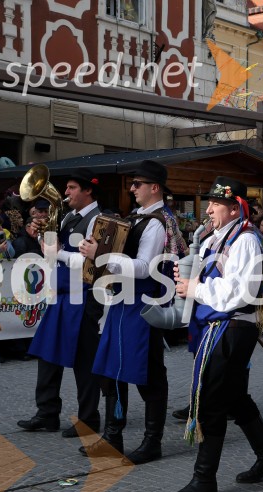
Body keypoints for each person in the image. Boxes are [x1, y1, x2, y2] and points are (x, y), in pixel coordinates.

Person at [170, 176, 263, 492]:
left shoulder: (245, 240)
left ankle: (204, 479)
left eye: (216, 204)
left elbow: (239, 293)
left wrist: (196, 289)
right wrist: (189, 280)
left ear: (234, 209)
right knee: (235, 398)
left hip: (231, 326)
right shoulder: (216, 238)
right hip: (220, 325)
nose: (209, 209)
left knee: (211, 400)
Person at [78, 160, 188, 462]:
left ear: (155, 187)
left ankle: (153, 442)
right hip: (123, 301)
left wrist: (101, 254)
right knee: (111, 371)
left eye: (137, 183)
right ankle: (113, 436)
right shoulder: (138, 218)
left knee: (149, 373)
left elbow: (144, 268)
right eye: (132, 183)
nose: (132, 188)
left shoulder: (156, 222)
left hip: (144, 304)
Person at [17, 169, 103, 438]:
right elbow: (53, 256)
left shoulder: (98, 219)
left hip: (83, 296)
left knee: (83, 361)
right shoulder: (68, 216)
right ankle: (47, 413)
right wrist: (44, 238)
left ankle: (88, 419)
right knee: (47, 355)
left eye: (72, 187)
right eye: (66, 188)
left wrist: (60, 253)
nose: (66, 193)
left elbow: (93, 263)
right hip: (62, 295)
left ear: (88, 190)